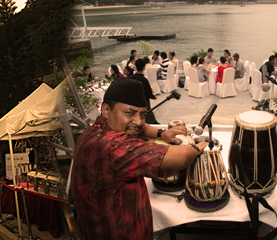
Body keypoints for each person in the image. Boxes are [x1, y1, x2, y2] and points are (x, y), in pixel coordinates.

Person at [70, 78, 210, 239]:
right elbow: (181, 158)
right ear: (106, 110)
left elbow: (138, 127)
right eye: (129, 113)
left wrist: (161, 133)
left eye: (143, 114)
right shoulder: (115, 146)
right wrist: (194, 147)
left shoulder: (91, 131)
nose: (137, 121)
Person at [130, 59, 158, 124]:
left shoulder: (132, 78)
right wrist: (153, 97)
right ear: (144, 67)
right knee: (147, 115)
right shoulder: (144, 80)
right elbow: (148, 92)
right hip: (143, 101)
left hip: (134, 101)